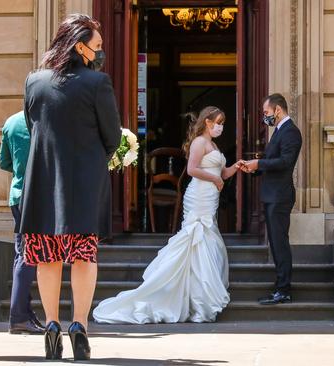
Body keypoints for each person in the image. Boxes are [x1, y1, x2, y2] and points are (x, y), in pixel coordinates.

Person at [19, 14, 121, 360]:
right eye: (97, 46)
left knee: (46, 257)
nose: (101, 52)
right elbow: (112, 137)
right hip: (83, 182)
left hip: (43, 181)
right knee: (82, 256)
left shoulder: (34, 81)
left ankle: (50, 325)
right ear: (80, 46)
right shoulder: (97, 83)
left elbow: (34, 126)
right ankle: (79, 325)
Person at [93, 106, 244, 324]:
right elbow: (192, 170)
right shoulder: (199, 143)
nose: (220, 127)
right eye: (218, 122)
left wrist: (235, 168)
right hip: (199, 195)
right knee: (195, 238)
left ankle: (198, 295)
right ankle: (189, 296)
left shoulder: (213, 144)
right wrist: (215, 180)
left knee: (207, 238)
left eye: (222, 123)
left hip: (210, 197)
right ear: (207, 122)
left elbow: (221, 173)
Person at [240, 93, 302, 305]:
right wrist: (253, 168)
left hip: (280, 196)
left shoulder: (291, 132)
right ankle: (280, 287)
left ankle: (283, 289)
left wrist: (259, 165)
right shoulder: (279, 131)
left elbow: (285, 162)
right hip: (272, 195)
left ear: (277, 109)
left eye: (266, 113)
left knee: (279, 243)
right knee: (275, 243)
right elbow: (271, 160)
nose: (264, 117)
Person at [0, 111, 44, 335]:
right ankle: (18, 316)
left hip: (17, 195)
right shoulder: (46, 119)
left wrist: (20, 169)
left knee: (22, 253)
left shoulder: (11, 121)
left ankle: (24, 313)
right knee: (28, 257)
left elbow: (4, 161)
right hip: (40, 194)